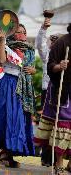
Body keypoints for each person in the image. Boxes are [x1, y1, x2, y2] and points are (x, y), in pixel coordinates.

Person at [0, 24, 36, 168]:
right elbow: (0, 60)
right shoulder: (6, 47)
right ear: (12, 34)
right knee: (8, 119)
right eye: (19, 32)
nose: (23, 35)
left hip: (23, 87)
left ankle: (9, 154)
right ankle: (4, 151)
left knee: (19, 121)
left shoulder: (29, 50)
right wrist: (2, 41)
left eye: (24, 32)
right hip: (8, 85)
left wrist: (33, 70)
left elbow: (32, 69)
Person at [37, 23, 71, 174]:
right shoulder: (62, 42)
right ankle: (58, 164)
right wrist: (60, 66)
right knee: (62, 127)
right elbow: (50, 66)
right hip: (62, 91)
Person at [34, 17, 62, 167]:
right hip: (48, 92)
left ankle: (57, 158)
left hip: (63, 93)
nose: (55, 43)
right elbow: (39, 43)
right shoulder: (47, 55)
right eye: (53, 40)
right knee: (47, 125)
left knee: (61, 126)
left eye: (58, 41)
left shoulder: (65, 57)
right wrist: (44, 29)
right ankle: (46, 158)